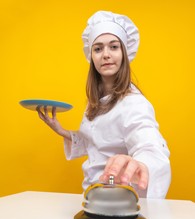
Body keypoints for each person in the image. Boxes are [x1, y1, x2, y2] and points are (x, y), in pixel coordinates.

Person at [37, 11, 171, 198]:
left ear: (124, 53)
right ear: (91, 56)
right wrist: (63, 131)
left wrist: (142, 164)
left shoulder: (134, 102)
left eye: (114, 47)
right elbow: (97, 142)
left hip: (115, 201)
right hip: (91, 196)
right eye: (98, 49)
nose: (106, 55)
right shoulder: (96, 101)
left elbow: (151, 147)